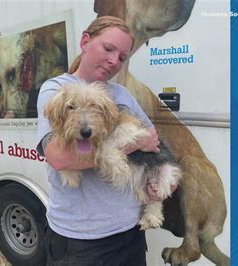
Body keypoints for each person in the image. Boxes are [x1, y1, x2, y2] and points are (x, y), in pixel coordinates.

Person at [36, 16, 176, 266]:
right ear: (85, 42)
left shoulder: (121, 94)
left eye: (122, 57)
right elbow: (58, 158)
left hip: (130, 232)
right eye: (108, 48)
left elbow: (152, 140)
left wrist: (160, 190)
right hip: (82, 241)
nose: (114, 61)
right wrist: (130, 145)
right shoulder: (55, 89)